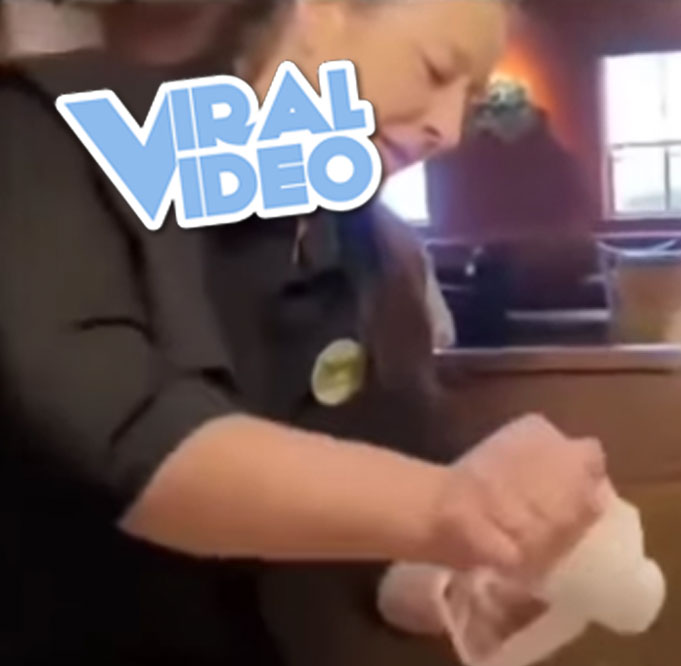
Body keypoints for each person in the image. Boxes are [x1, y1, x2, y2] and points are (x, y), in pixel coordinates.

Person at [0, 2, 604, 665]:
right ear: (318, 15)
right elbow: (136, 442)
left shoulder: (363, 248)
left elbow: (380, 525)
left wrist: (465, 577)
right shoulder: (45, 135)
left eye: (472, 98)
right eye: (435, 69)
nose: (448, 128)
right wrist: (451, 504)